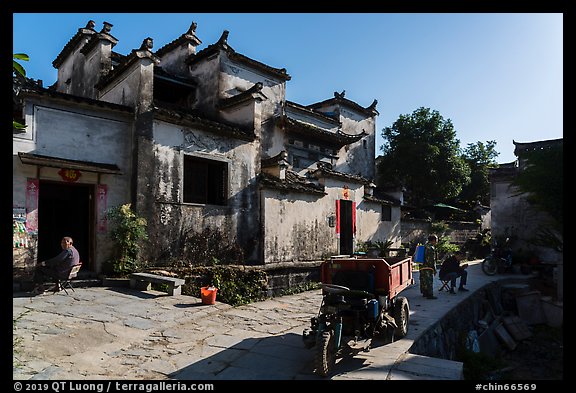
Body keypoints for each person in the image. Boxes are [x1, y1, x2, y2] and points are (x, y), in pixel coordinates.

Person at [420, 234, 438, 299]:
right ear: (433, 240)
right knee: (429, 281)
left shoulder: (424, 246)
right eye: (436, 240)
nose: (437, 241)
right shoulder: (431, 248)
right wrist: (434, 269)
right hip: (428, 267)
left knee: (423, 280)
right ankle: (430, 295)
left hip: (422, 266)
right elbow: (432, 260)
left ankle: (424, 293)